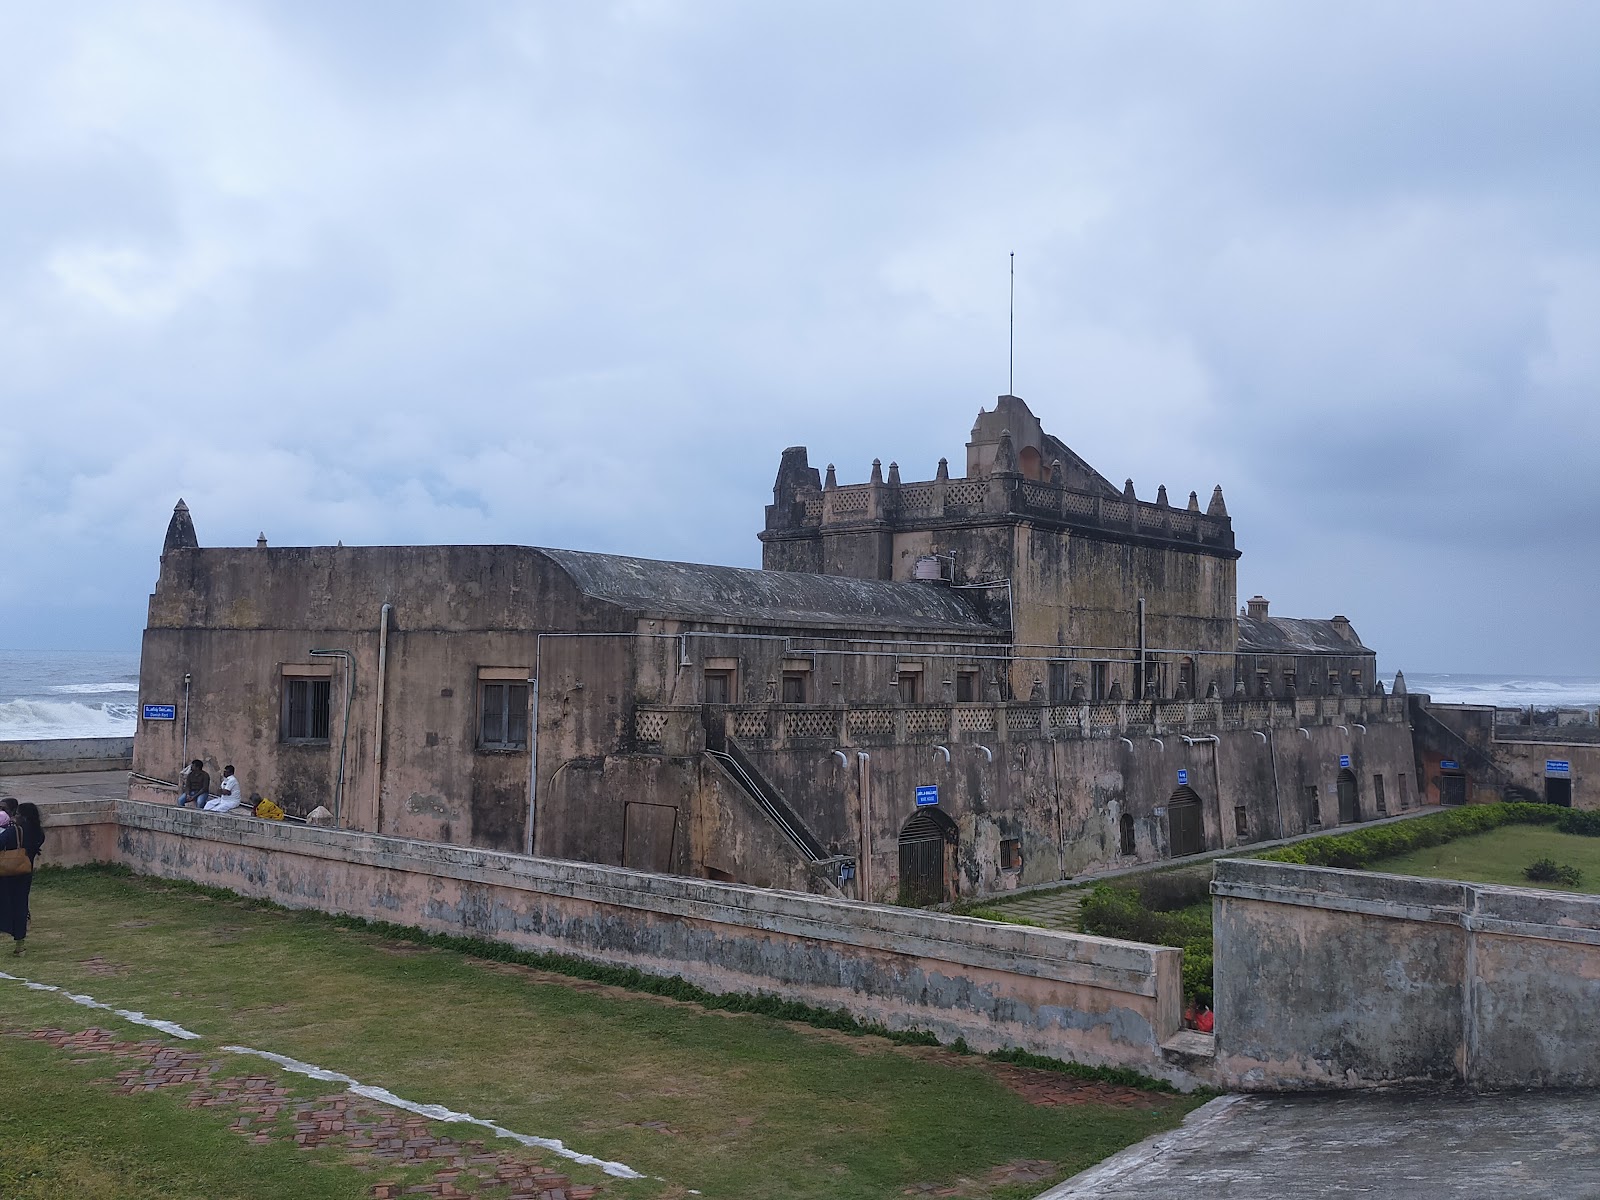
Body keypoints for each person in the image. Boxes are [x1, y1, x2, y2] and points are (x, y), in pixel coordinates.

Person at [0, 798, 44, 956]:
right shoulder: (38, 832)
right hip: (25, 873)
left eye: (17, 814)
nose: (15, 816)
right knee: (20, 906)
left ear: (24, 817)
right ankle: (20, 945)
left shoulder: (15, 831)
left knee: (4, 904)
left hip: (7, 874)